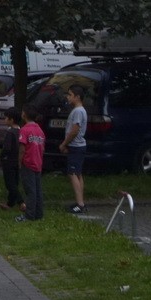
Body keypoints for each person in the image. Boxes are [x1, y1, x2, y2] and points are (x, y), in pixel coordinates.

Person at [60, 85, 88, 214]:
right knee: (77, 173)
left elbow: (74, 130)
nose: (68, 97)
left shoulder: (77, 111)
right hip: (79, 147)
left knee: (72, 174)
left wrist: (65, 143)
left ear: (77, 97)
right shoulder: (81, 110)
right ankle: (80, 201)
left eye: (70, 94)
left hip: (76, 146)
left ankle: (80, 204)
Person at [16, 104, 45, 222]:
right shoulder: (39, 130)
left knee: (30, 190)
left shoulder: (24, 130)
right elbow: (42, 148)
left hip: (27, 163)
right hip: (38, 162)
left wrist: (19, 161)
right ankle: (39, 213)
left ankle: (29, 215)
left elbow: (22, 148)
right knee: (37, 190)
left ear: (24, 115)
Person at [0, 107, 24, 211]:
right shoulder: (21, 131)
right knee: (15, 181)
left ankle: (21, 202)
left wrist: (1, 156)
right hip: (17, 160)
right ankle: (10, 203)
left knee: (10, 184)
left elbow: (7, 148)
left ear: (11, 120)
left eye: (6, 118)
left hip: (8, 160)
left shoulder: (10, 133)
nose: (4, 120)